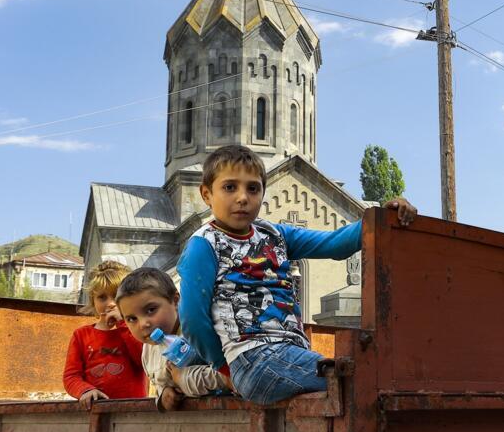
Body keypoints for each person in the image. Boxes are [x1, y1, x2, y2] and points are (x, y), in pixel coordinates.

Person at [178, 144, 417, 405]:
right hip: (254, 358)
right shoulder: (205, 243)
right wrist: (224, 366)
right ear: (206, 194)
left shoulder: (274, 234)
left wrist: (379, 217)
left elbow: (334, 244)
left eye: (253, 188)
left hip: (286, 354)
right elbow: (192, 318)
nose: (242, 197)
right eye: (229, 187)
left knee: (359, 376)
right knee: (358, 378)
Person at [116, 267, 234, 411]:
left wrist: (182, 379)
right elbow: (159, 382)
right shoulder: (148, 349)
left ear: (175, 301)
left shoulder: (200, 331)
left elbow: (228, 376)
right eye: (132, 319)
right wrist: (163, 394)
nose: (143, 324)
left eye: (151, 310)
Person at [63, 260, 147, 409]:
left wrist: (123, 324)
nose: (110, 303)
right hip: (96, 411)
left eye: (116, 296)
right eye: (102, 297)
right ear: (93, 301)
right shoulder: (81, 335)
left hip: (133, 411)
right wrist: (85, 390)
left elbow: (144, 362)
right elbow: (71, 376)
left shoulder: (137, 330)